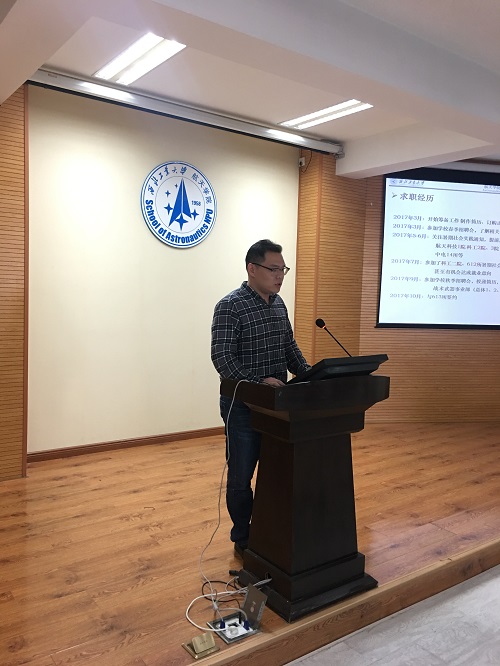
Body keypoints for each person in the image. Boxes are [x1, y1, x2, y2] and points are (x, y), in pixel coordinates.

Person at [211, 239, 310, 557]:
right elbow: (222, 358)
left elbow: (289, 348)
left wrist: (311, 375)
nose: (280, 276)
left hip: (278, 407)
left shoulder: (279, 305)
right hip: (242, 407)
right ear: (252, 269)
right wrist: (258, 383)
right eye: (274, 269)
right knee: (241, 476)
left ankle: (269, 529)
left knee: (276, 471)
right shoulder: (230, 306)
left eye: (283, 269)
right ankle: (243, 536)